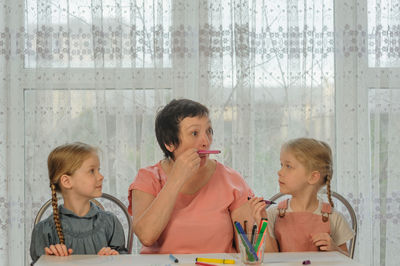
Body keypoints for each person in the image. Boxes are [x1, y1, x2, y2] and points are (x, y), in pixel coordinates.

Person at [128, 98, 254, 254]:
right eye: (195, 133)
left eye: (209, 131)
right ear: (169, 143)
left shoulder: (231, 179)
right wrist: (176, 180)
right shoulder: (148, 178)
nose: (205, 141)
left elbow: (249, 247)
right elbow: (146, 236)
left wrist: (259, 218)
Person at [249, 138, 354, 256]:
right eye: (281, 165)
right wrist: (262, 223)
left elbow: (347, 260)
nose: (279, 171)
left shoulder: (334, 218)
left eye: (288, 166)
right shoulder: (273, 215)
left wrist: (335, 250)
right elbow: (271, 258)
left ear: (313, 177)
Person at [30, 142, 127, 263]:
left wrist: (114, 257)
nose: (101, 176)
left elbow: (123, 260)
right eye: (92, 171)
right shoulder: (45, 230)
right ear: (67, 181)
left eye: (99, 170)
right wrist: (49, 260)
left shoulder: (111, 223)